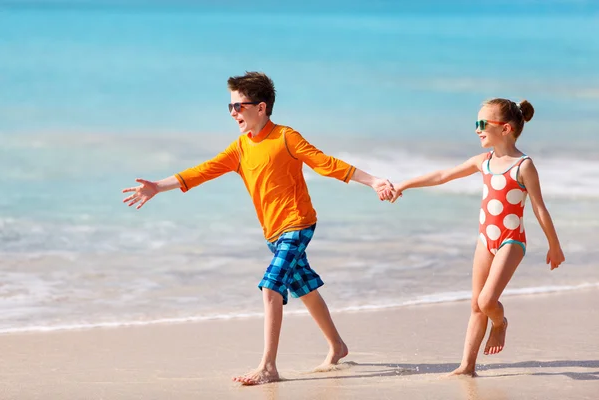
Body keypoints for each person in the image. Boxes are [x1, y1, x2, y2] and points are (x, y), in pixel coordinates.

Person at [122, 72, 394, 385]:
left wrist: (373, 181)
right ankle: (337, 346)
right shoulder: (240, 148)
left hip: (298, 223)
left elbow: (325, 163)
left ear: (261, 107)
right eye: (231, 107)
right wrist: (158, 186)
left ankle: (268, 366)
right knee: (304, 288)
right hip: (273, 233)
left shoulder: (286, 137)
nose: (234, 113)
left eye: (239, 106)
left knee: (271, 286)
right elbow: (203, 171)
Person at [389, 98, 565, 377]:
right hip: (485, 239)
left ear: (505, 128)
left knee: (487, 302)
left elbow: (539, 207)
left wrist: (554, 246)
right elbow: (442, 175)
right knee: (476, 304)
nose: (477, 129)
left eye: (482, 124)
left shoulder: (523, 165)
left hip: (511, 241)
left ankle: (500, 323)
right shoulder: (483, 161)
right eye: (476, 124)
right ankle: (467, 366)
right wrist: (403, 184)